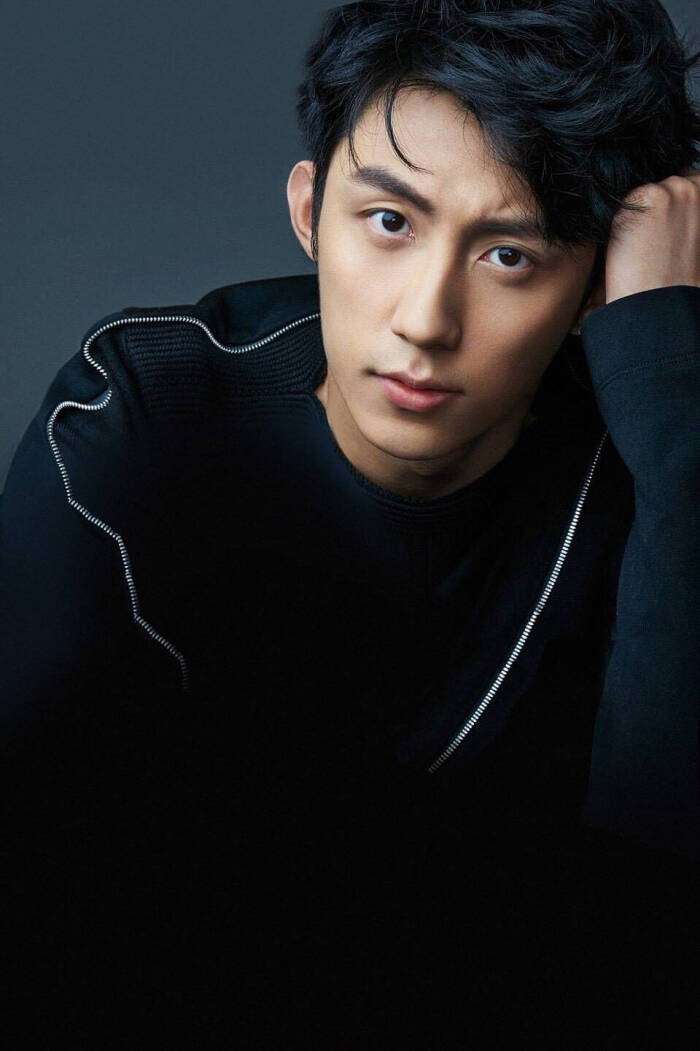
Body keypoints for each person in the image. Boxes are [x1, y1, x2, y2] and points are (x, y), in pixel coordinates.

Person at [1, 1, 698, 1046]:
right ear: (308, 210)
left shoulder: (647, 435)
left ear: (596, 283)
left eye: (510, 255)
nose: (424, 319)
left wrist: (672, 390)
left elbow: (656, 928)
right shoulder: (140, 416)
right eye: (389, 222)